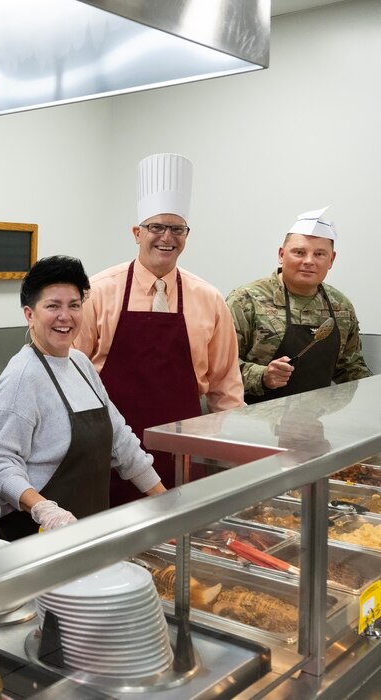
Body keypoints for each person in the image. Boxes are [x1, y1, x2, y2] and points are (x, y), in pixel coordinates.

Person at [73, 153, 243, 507]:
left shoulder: (209, 299)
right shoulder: (98, 292)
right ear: (137, 233)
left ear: (187, 236)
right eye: (156, 228)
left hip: (182, 454)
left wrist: (232, 458)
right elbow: (70, 377)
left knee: (178, 533)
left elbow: (226, 387)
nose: (167, 237)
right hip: (110, 450)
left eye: (177, 229)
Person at [0, 256, 166, 541]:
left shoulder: (80, 363)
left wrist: (166, 502)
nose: (65, 316)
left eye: (74, 305)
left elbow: (121, 441)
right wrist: (43, 509)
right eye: (53, 306)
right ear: (29, 314)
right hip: (33, 539)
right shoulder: (21, 378)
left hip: (86, 536)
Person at [226, 206, 371, 403]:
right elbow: (219, 366)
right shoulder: (246, 300)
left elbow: (350, 367)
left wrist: (373, 393)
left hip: (317, 418)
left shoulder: (341, 306)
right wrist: (262, 376)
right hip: (254, 417)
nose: (309, 261)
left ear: (331, 260)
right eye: (299, 252)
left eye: (319, 254)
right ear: (281, 254)